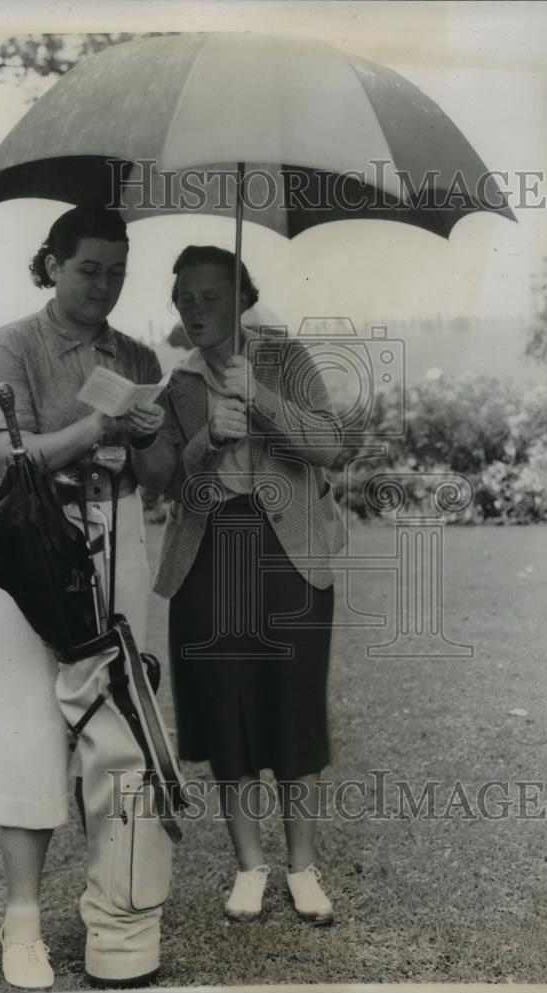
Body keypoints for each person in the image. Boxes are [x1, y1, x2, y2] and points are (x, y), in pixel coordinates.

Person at [0, 207, 166, 989]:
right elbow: (5, 462)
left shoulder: (136, 353)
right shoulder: (10, 344)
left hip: (114, 527)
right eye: (89, 268)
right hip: (24, 533)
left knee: (117, 721)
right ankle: (22, 924)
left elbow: (157, 479)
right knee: (25, 718)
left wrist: (151, 437)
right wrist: (99, 422)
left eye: (117, 269)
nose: (104, 285)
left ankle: (115, 921)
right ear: (51, 264)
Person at [133, 245, 346, 926]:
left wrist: (254, 396)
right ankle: (249, 866)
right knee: (224, 714)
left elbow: (326, 444)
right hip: (209, 559)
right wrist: (206, 442)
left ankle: (302, 867)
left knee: (292, 708)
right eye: (184, 298)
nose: (195, 310)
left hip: (288, 557)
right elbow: (166, 484)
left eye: (210, 297)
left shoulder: (287, 361)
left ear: (241, 298)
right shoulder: (177, 388)